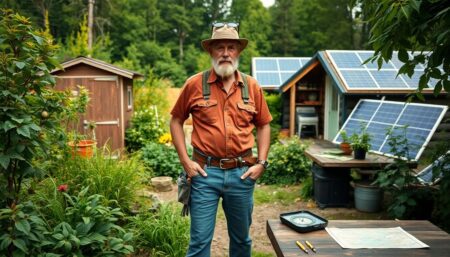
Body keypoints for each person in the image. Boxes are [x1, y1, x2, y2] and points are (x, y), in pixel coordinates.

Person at [170, 21, 272, 257]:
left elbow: (264, 124)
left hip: (242, 173)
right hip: (204, 174)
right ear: (210, 51)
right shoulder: (194, 84)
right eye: (220, 47)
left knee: (242, 241)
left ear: (238, 51)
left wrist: (262, 163)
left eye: (231, 47)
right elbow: (176, 120)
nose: (226, 53)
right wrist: (186, 162)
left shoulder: (252, 86)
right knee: (199, 244)